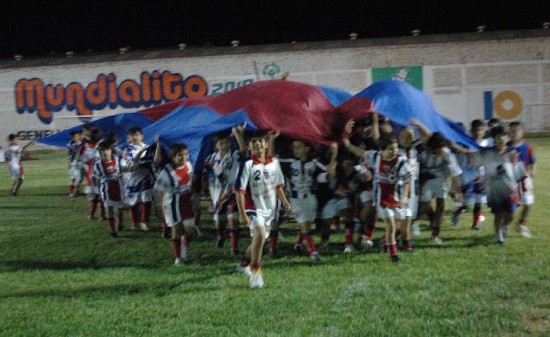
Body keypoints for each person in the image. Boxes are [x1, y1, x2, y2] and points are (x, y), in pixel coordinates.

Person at [233, 129, 291, 289]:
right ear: (249, 146)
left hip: (269, 209)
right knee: (259, 235)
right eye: (253, 142)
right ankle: (255, 273)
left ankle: (244, 263)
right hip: (252, 208)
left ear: (266, 144)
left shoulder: (274, 163)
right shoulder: (246, 165)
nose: (257, 143)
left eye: (260, 141)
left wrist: (285, 202)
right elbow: (239, 191)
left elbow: (278, 185)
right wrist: (242, 213)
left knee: (259, 240)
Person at [270, 132, 337, 261]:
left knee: (307, 223)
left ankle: (298, 244)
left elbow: (326, 175)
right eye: (294, 147)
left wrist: (333, 159)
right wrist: (272, 140)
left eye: (299, 147)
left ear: (307, 148)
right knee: (304, 225)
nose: (296, 150)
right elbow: (271, 158)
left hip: (311, 198)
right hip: (295, 199)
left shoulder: (314, 162)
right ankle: (313, 252)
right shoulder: (289, 161)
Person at [470, 126, 528, 244]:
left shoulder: (512, 153)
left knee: (512, 212)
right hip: (494, 188)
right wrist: (469, 153)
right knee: (498, 213)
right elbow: (474, 161)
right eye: (498, 136)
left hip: (510, 188)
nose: (501, 138)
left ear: (507, 138)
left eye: (504, 136)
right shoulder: (487, 152)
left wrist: (521, 188)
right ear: (494, 138)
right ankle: (498, 237)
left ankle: (505, 226)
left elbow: (518, 171)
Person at [154, 143, 196, 266]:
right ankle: (178, 258)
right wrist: (160, 207)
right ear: (173, 157)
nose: (184, 157)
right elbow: (160, 191)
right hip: (172, 203)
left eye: (186, 154)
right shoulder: (167, 172)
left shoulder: (189, 166)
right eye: (180, 155)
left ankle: (184, 243)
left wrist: (193, 195)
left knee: (190, 230)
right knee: (176, 229)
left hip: (186, 201)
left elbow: (189, 182)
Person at [417, 132, 463, 245]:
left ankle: (435, 235)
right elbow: (416, 168)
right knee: (424, 207)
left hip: (440, 180)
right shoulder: (423, 154)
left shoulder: (447, 154)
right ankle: (412, 223)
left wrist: (457, 191)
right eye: (439, 149)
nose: (441, 150)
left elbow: (456, 174)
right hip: (425, 181)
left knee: (441, 205)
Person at [206, 131, 244, 254]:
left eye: (226, 142)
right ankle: (221, 236)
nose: (224, 145)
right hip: (218, 194)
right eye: (221, 143)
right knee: (219, 222)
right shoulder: (211, 159)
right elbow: (211, 176)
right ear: (216, 145)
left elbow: (243, 150)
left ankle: (234, 247)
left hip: (233, 192)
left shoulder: (234, 155)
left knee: (233, 220)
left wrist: (238, 134)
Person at [396, 118, 431, 247]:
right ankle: (404, 243)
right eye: (403, 136)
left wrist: (419, 124)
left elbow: (428, 136)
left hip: (413, 189)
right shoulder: (395, 150)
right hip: (398, 189)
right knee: (400, 218)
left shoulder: (414, 149)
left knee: (409, 217)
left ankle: (397, 240)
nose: (406, 139)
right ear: (398, 138)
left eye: (409, 136)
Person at [123, 127, 155, 231]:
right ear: (129, 137)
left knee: (147, 199)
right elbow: (127, 165)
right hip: (132, 178)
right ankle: (134, 222)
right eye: (132, 135)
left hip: (146, 177)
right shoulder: (127, 149)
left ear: (142, 136)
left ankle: (144, 222)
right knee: (134, 201)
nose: (134, 137)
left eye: (136, 134)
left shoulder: (148, 147)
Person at [508, 121, 536, 238]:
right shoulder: (507, 147)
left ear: (522, 132)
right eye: (511, 131)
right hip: (512, 181)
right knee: (511, 209)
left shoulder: (527, 146)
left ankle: (521, 223)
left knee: (528, 203)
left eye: (516, 131)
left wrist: (533, 170)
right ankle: (504, 226)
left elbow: (533, 160)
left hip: (525, 179)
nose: (514, 134)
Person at [93, 142, 126, 237]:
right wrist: (99, 192)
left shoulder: (118, 161)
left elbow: (125, 169)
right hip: (106, 189)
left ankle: (120, 222)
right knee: (110, 209)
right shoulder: (98, 165)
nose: (105, 152)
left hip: (118, 187)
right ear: (99, 152)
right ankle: (112, 230)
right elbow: (98, 179)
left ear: (111, 150)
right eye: (102, 150)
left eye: (107, 149)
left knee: (120, 208)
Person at [67, 130, 83, 197]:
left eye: (76, 136)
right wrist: (69, 163)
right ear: (71, 137)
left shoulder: (81, 143)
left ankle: (76, 190)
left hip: (81, 162)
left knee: (79, 178)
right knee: (73, 177)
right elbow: (70, 155)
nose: (76, 138)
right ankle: (72, 191)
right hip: (74, 163)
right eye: (74, 137)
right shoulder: (70, 144)